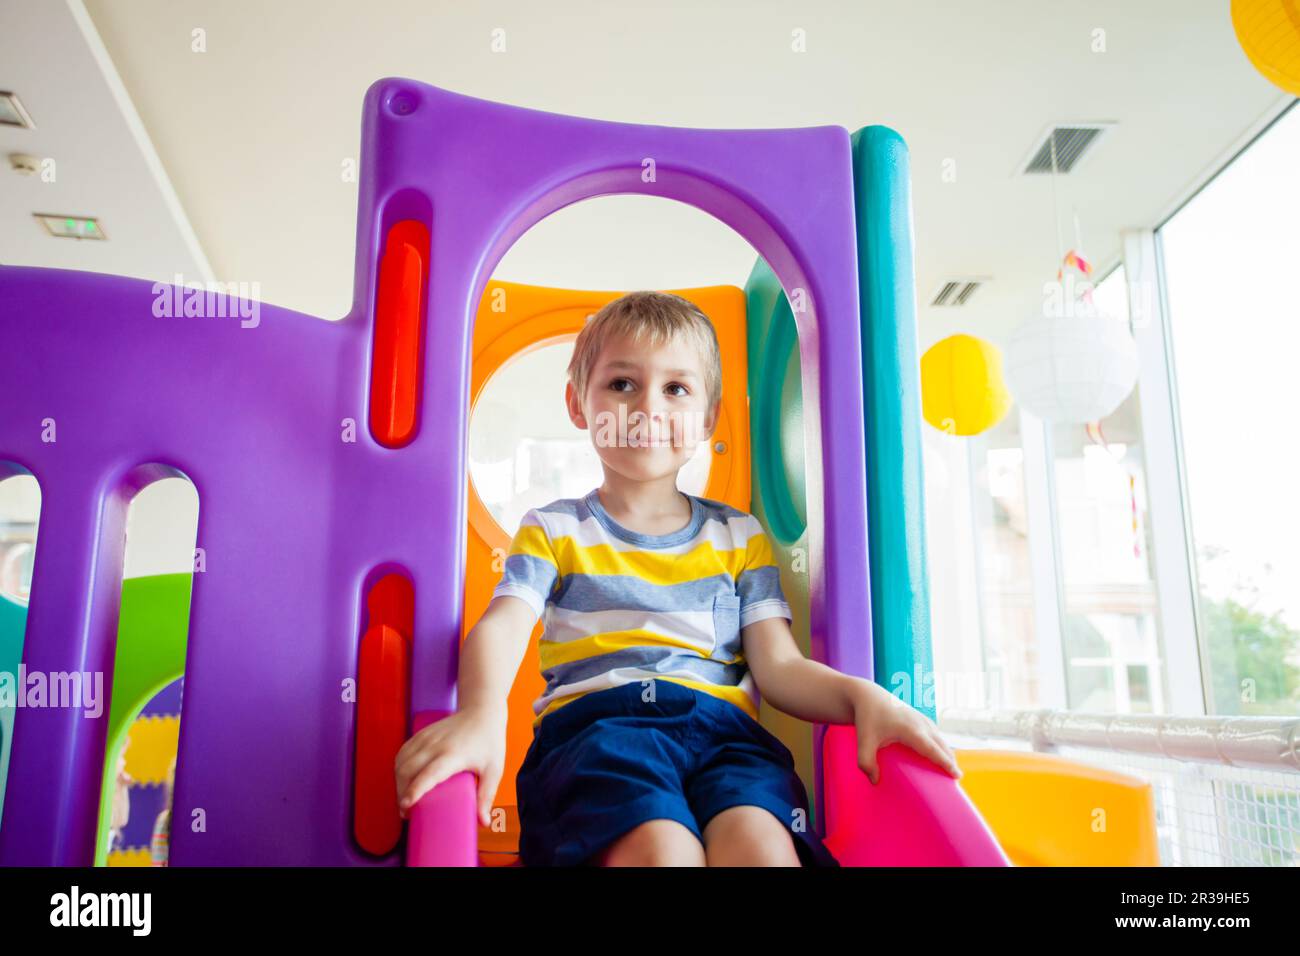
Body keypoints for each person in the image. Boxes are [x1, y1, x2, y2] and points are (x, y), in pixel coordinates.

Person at [395, 290, 960, 866]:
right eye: (621, 384)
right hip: (600, 734)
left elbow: (780, 669)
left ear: (708, 417)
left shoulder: (738, 536)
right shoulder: (556, 528)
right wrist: (481, 716)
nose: (647, 408)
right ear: (577, 403)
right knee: (663, 851)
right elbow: (504, 626)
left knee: (763, 848)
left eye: (677, 389)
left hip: (726, 741)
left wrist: (863, 698)